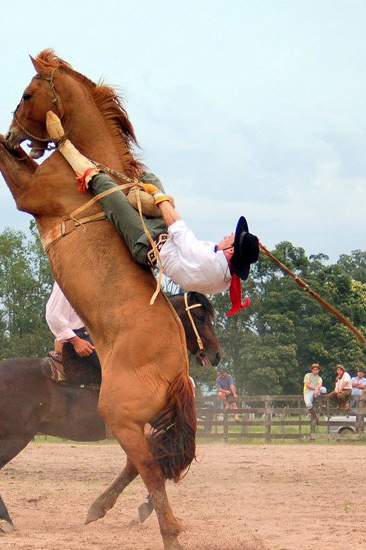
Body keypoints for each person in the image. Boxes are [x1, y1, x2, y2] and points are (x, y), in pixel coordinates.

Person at [45, 111, 260, 316]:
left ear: (231, 251)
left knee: (107, 189)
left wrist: (160, 198)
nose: (226, 235)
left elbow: (179, 230)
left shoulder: (210, 262)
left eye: (230, 237)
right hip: (163, 235)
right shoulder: (223, 277)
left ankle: (64, 145)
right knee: (152, 179)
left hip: (147, 244)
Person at [45, 281, 101, 370]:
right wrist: (75, 341)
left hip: (97, 337)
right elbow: (53, 315)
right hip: (79, 339)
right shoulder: (66, 281)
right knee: (119, 370)